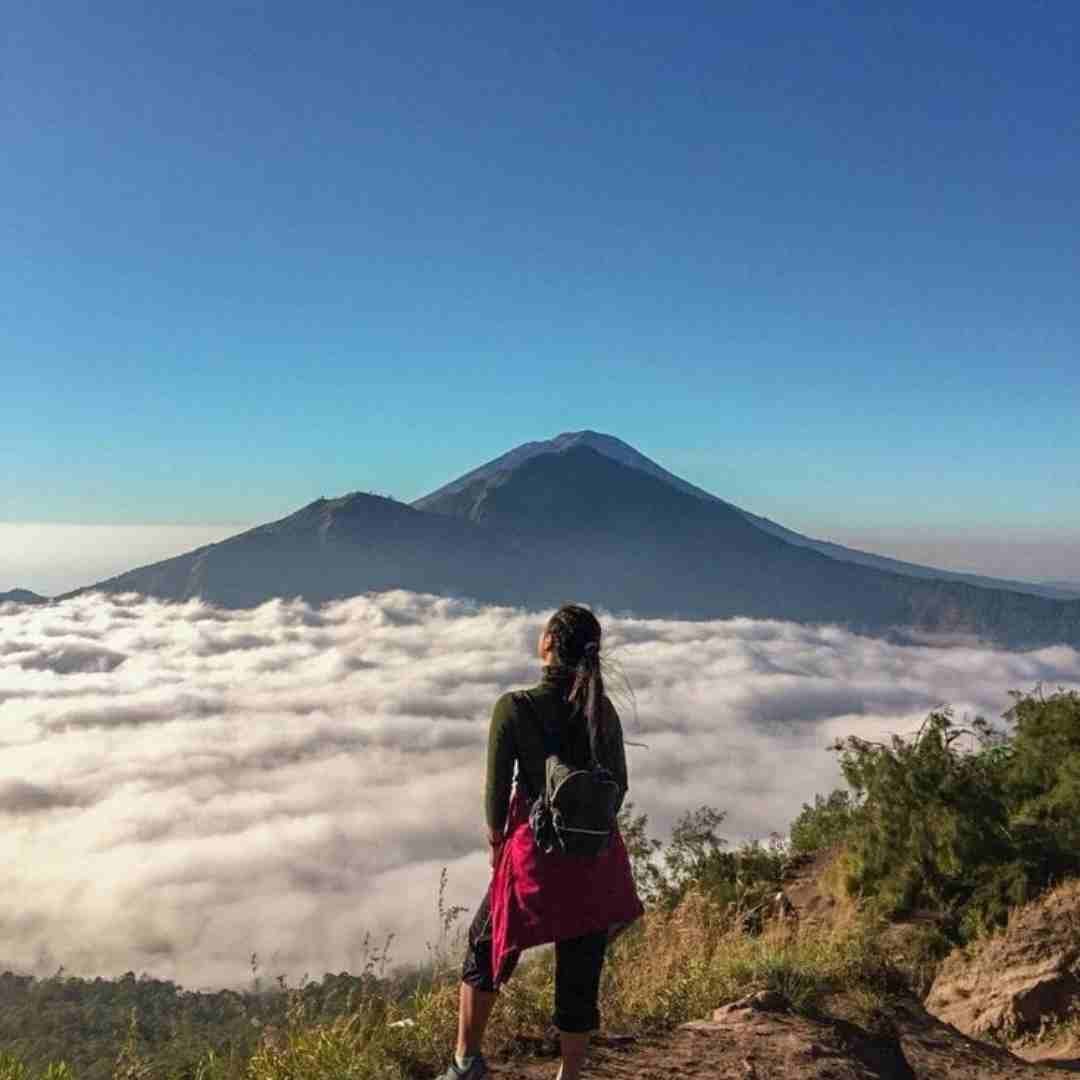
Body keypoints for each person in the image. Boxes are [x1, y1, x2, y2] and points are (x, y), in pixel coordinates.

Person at [436, 604, 644, 1080]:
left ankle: (466, 1062)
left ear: (548, 642)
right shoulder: (601, 709)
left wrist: (499, 847)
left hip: (534, 859)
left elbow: (495, 798)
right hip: (596, 860)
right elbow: (620, 788)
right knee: (580, 963)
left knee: (485, 945)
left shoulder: (515, 707)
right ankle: (569, 1075)